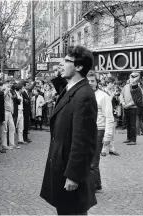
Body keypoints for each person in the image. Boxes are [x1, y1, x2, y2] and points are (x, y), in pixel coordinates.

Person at [40, 45, 97, 215]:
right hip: (61, 164)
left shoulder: (84, 95)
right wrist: (59, 77)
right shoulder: (73, 88)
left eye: (66, 61)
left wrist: (74, 175)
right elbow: (64, 96)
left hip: (69, 170)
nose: (61, 64)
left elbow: (84, 140)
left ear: (78, 67)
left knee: (73, 211)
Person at [87, 71, 115, 193]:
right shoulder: (84, 95)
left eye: (93, 80)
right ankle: (96, 184)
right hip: (85, 130)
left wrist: (107, 139)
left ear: (97, 82)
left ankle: (93, 188)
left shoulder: (104, 96)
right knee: (87, 160)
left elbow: (109, 118)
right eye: (88, 81)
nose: (90, 83)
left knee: (93, 162)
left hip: (98, 130)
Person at [101, 76, 120, 156]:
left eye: (114, 83)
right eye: (112, 83)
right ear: (108, 83)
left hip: (112, 113)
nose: (113, 85)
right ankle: (103, 150)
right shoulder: (102, 92)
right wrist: (111, 97)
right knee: (105, 131)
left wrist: (116, 98)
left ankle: (112, 149)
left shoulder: (112, 91)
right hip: (104, 114)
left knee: (112, 132)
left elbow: (116, 103)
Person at [119, 75, 138, 145]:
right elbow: (121, 95)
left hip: (133, 108)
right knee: (128, 124)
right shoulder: (125, 87)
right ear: (129, 79)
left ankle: (133, 140)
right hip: (126, 108)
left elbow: (137, 99)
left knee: (132, 124)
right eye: (131, 78)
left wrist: (128, 105)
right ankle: (129, 138)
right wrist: (123, 103)